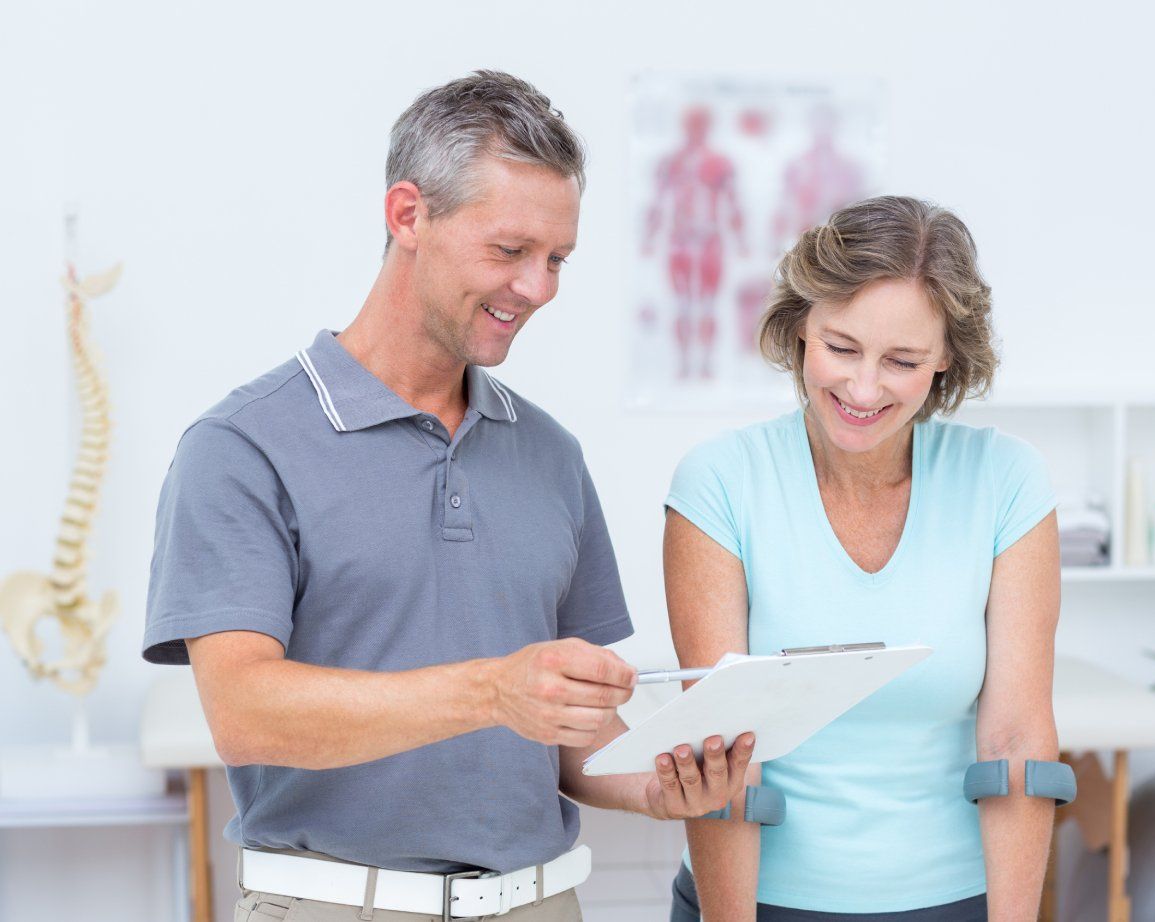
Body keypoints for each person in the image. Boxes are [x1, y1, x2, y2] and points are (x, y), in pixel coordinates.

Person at [142, 72, 752, 922]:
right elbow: (246, 712)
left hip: (542, 902)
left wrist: (658, 784)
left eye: (556, 260)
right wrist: (490, 691)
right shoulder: (241, 448)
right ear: (407, 216)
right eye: (509, 252)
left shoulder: (549, 456)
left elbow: (568, 731)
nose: (537, 288)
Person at [663, 195, 1060, 921]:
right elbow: (723, 752)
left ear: (946, 361)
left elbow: (1016, 739)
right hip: (758, 901)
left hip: (954, 899)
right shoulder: (720, 481)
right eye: (841, 348)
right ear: (800, 329)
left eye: (902, 360)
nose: (864, 388)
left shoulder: (1007, 482)